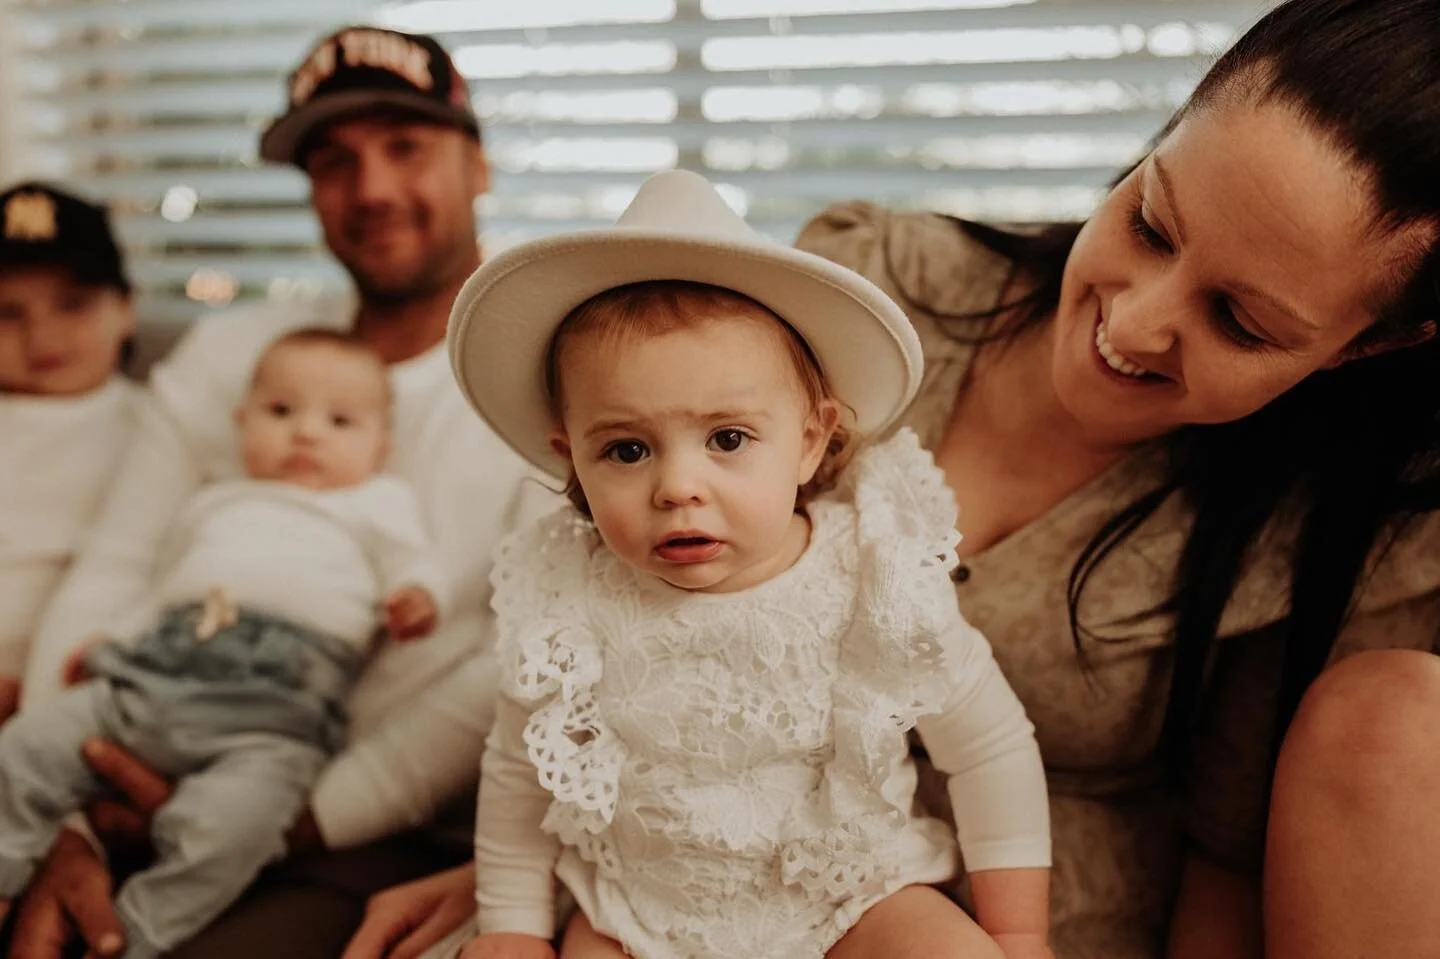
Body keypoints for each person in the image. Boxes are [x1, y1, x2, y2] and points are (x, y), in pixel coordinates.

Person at [344, 2, 1440, 958]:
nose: (1136, 321)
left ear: (1368, 344)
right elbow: (563, 720)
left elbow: (1231, 856)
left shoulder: (1334, 530)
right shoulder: (854, 295)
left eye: (1240, 320)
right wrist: (535, 891)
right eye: (1149, 220)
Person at [4, 26, 545, 959]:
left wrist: (287, 822)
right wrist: (75, 829)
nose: (372, 190)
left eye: (407, 147)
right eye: (334, 161)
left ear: (480, 167)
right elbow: (117, 564)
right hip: (125, 767)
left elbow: (512, 672)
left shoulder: (545, 376)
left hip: (358, 828)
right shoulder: (234, 355)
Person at [446, 169, 1052, 959]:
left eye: (727, 438)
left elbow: (988, 746)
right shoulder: (570, 600)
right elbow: (520, 779)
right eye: (626, 449)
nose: (678, 487)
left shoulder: (872, 574)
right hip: (641, 911)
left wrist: (1018, 932)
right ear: (573, 460)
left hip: (848, 897)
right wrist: (512, 928)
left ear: (809, 438)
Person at [0, 329, 444, 958]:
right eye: (281, 411)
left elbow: (417, 562)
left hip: (269, 720)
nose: (307, 433)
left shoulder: (376, 503)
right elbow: (165, 590)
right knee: (25, 745)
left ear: (381, 446)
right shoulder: (216, 501)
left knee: (234, 826)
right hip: (151, 682)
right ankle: (5, 869)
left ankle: (140, 928)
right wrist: (110, 640)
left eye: (340, 421)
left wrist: (417, 597)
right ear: (242, 422)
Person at [0, 183, 139, 725]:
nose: (43, 334)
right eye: (8, 313)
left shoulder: (156, 431)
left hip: (65, 693)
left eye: (73, 304)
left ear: (126, 309)